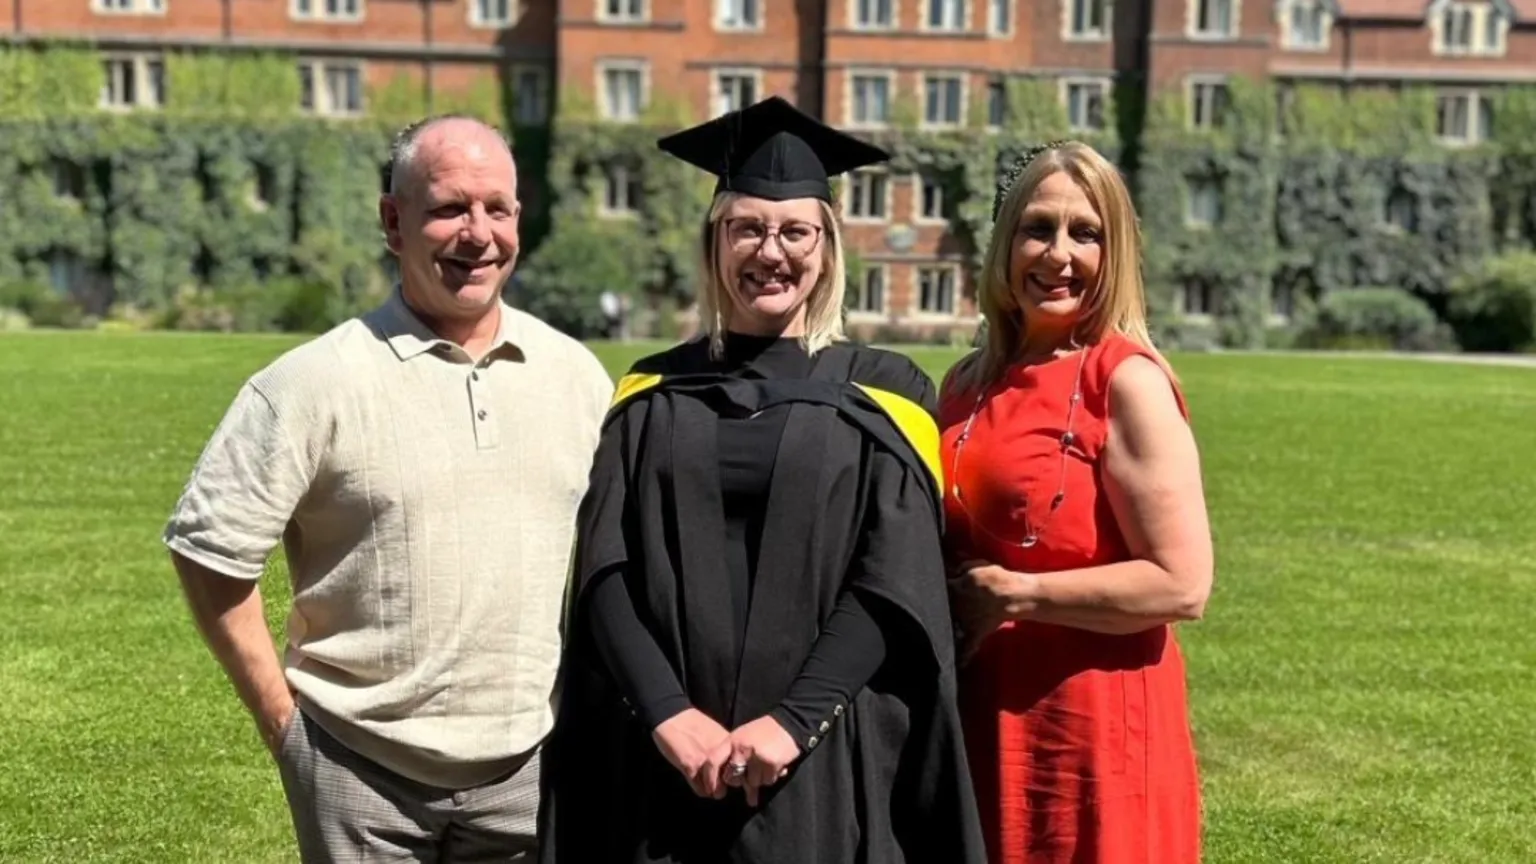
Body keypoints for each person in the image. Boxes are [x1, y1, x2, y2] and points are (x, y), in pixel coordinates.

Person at [537, 95, 989, 864]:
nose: (770, 252)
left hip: (823, 756)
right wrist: (669, 716)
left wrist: (794, 722)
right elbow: (606, 574)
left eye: (794, 231)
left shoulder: (885, 391)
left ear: (827, 247)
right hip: (667, 765)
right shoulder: (650, 393)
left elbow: (895, 577)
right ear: (714, 241)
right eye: (747, 227)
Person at [163, 115, 614, 862]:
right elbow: (209, 551)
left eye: (497, 209)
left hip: (528, 771)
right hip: (358, 772)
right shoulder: (312, 383)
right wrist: (284, 726)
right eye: (449, 208)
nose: (478, 234)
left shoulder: (574, 378)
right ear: (392, 222)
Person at [938, 139, 1214, 863]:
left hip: (1093, 732)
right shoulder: (965, 384)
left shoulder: (1126, 382)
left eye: (1085, 233)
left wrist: (1020, 595)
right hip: (981, 713)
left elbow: (1183, 584)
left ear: (1113, 252)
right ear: (1005, 244)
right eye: (1038, 228)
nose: (1058, 254)